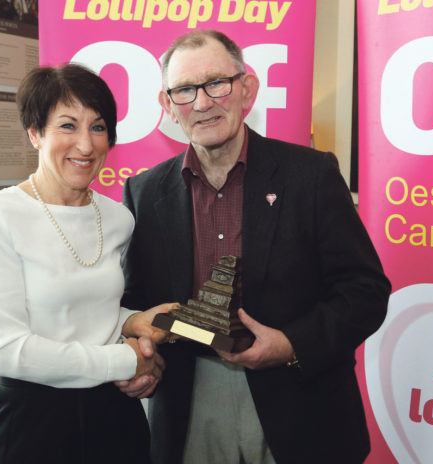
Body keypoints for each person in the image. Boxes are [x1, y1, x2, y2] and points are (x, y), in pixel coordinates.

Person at [120, 30, 391, 464]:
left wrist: (290, 344)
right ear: (168, 106)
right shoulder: (143, 193)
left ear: (247, 89)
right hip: (190, 403)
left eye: (217, 83)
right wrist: (137, 353)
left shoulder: (311, 175)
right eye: (185, 90)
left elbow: (365, 291)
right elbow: (133, 305)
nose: (204, 102)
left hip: (301, 402)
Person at [0, 63, 175, 464]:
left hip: (115, 417)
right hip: (33, 422)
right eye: (67, 126)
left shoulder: (118, 219)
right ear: (35, 133)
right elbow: (6, 351)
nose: (86, 144)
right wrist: (126, 358)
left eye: (98, 127)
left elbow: (85, 309)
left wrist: (133, 322)